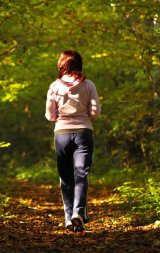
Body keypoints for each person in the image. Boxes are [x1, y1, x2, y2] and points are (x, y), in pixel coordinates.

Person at [45, 50, 101, 232]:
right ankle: (78, 212)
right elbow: (95, 112)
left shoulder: (54, 86)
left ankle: (69, 218)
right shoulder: (89, 85)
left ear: (61, 65)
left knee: (65, 177)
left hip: (61, 134)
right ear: (79, 64)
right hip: (84, 132)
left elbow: (50, 116)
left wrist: (62, 114)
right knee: (81, 174)